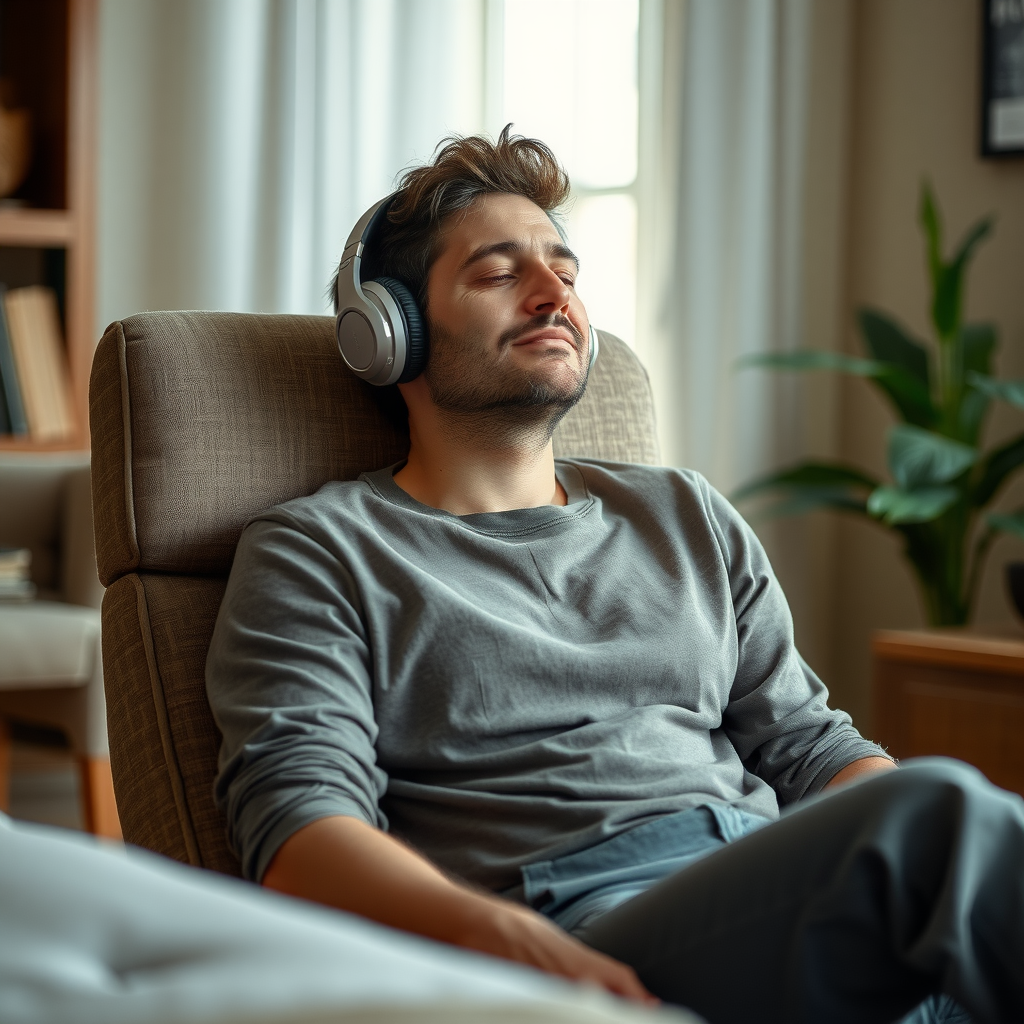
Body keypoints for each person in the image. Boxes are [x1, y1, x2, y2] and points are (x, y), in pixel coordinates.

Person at [206, 128, 1024, 1024]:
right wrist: (504, 942)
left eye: (565, 269)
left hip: (787, 893)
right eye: (498, 272)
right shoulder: (321, 550)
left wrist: (935, 875)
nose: (555, 294)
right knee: (943, 811)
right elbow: (298, 827)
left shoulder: (685, 514)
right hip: (575, 927)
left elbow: (812, 749)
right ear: (390, 332)